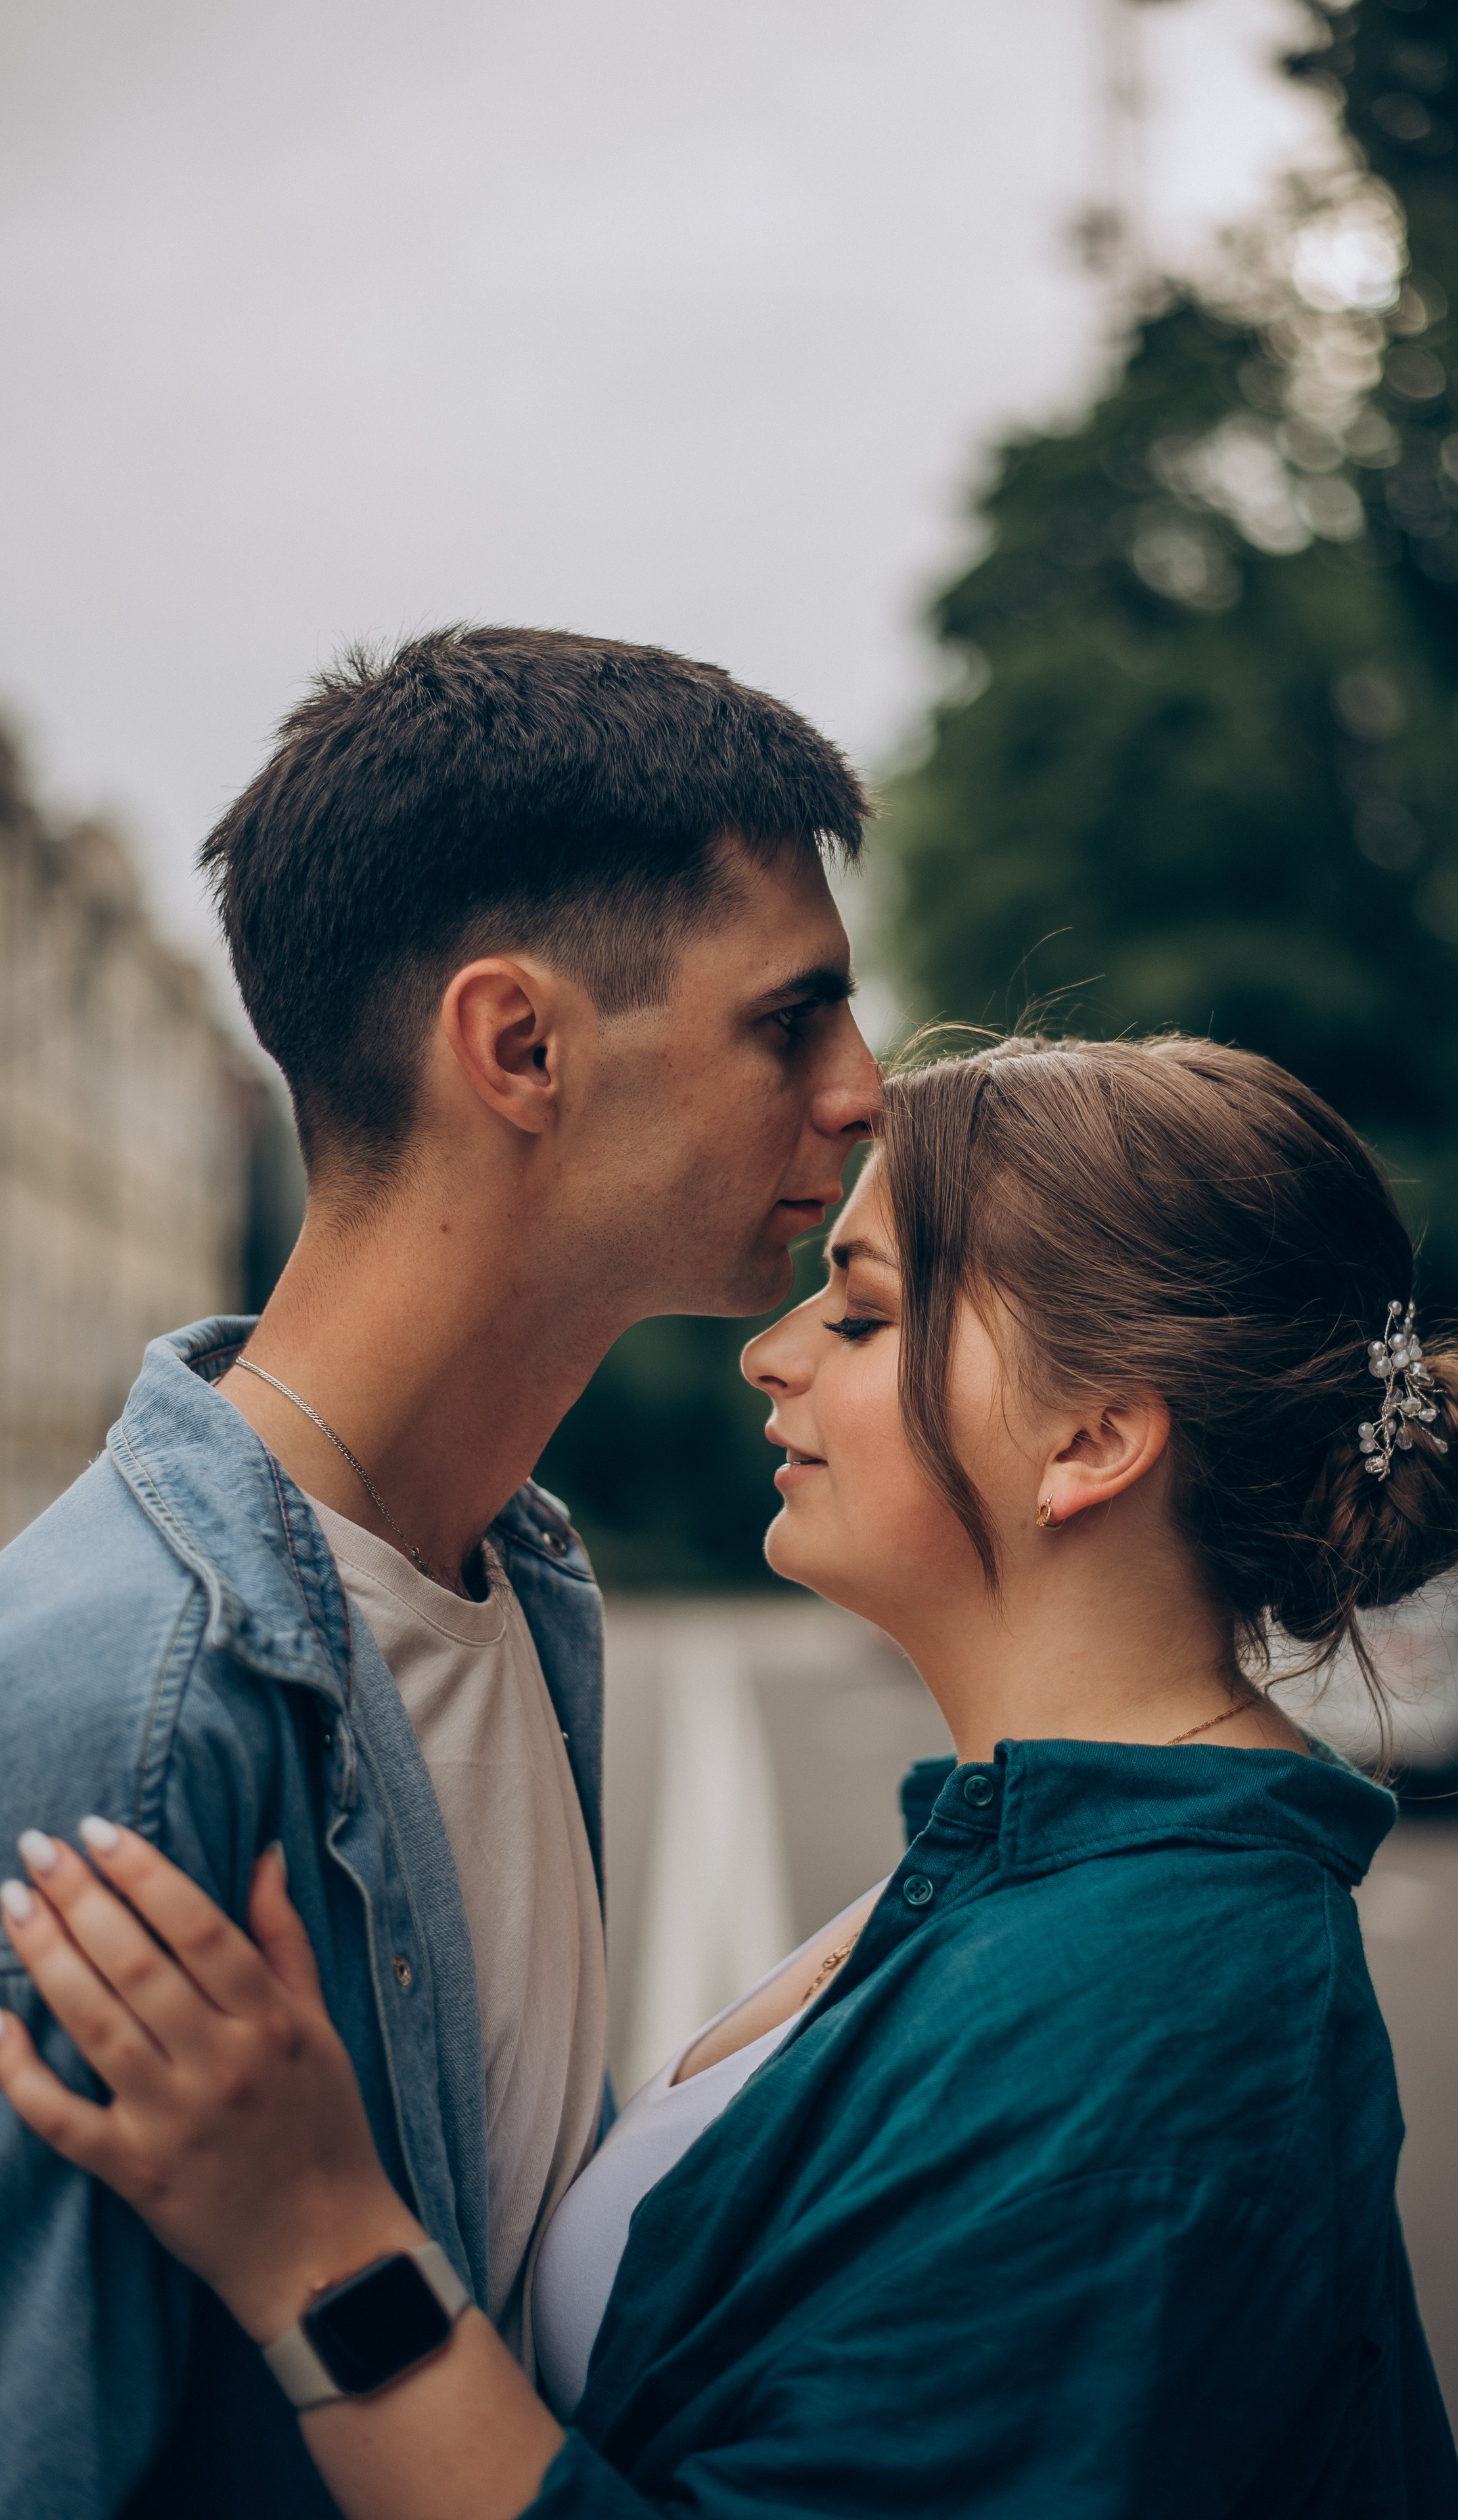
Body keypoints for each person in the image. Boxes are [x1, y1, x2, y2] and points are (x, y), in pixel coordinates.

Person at [3, 1030, 1458, 2519]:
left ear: (1089, 1439)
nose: (771, 1349)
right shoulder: (1052, 1856)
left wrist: (315, 2244)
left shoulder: (1157, 2009)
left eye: (860, 1318)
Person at [0, 625, 877, 2520]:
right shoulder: (126, 1702)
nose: (866, 1087)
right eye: (792, 1017)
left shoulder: (515, 1576)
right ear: (520, 1047)